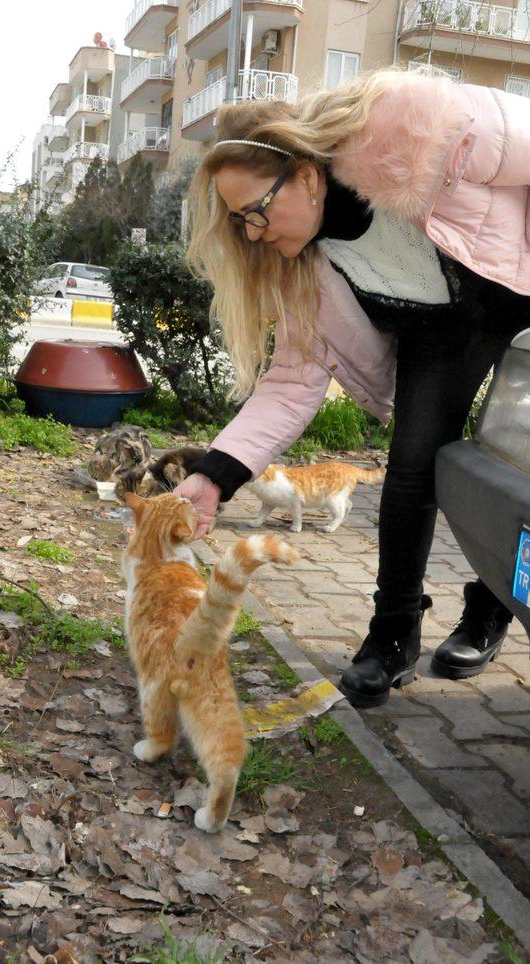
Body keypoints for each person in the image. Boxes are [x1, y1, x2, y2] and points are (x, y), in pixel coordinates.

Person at [174, 67, 530, 709]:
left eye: (256, 212)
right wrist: (213, 476)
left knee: (521, 465)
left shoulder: (417, 130)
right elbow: (290, 385)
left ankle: (491, 606)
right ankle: (393, 636)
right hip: (444, 325)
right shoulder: (305, 267)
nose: (253, 233)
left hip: (518, 282)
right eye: (240, 223)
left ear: (306, 177)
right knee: (412, 469)